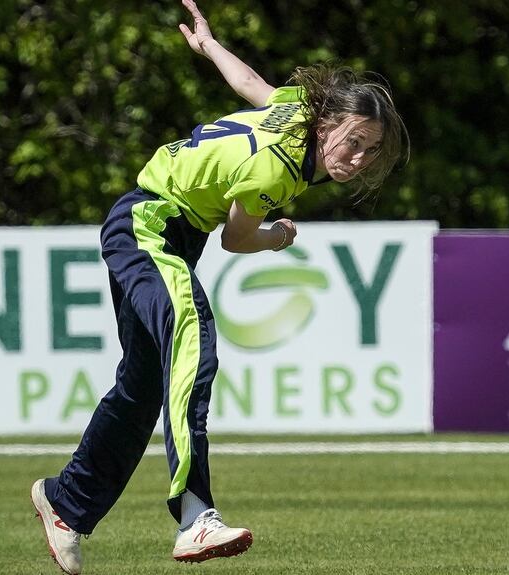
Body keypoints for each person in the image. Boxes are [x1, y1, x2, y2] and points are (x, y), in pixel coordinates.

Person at [30, 1, 409, 573]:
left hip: (156, 231)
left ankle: (66, 502)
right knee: (192, 346)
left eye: (370, 150)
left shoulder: (295, 112)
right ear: (327, 122)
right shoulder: (279, 164)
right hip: (150, 229)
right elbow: (236, 239)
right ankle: (195, 515)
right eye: (353, 141)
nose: (357, 158)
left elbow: (250, 82)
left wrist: (209, 46)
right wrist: (276, 237)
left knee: (141, 389)